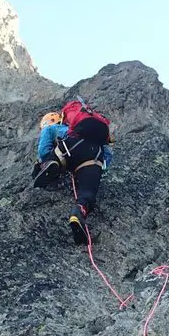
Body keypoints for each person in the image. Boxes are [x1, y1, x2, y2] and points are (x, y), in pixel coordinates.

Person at [31, 100, 114, 244]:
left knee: (56, 155)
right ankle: (78, 212)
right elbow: (108, 153)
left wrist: (45, 157)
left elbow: (48, 133)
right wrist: (100, 168)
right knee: (87, 194)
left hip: (71, 148)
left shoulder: (61, 128)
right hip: (93, 158)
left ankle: (53, 163)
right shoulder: (96, 136)